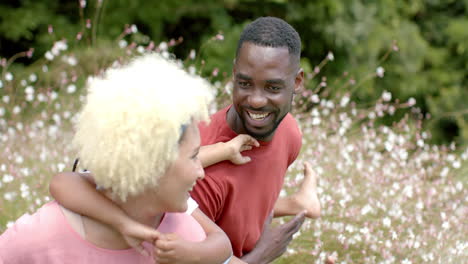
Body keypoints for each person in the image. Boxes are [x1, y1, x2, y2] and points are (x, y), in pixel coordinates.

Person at [50, 17, 321, 263]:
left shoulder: (288, 130)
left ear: (297, 82)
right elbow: (216, 253)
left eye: (273, 87)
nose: (257, 100)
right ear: (234, 73)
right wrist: (263, 253)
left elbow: (249, 201)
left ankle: (296, 203)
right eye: (246, 83)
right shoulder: (188, 179)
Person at [0, 54, 233, 263]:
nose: (201, 171)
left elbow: (223, 249)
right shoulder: (38, 238)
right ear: (151, 165)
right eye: (193, 157)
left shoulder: (187, 236)